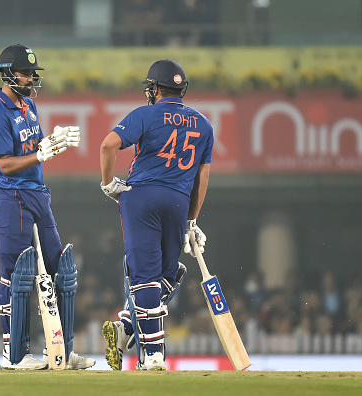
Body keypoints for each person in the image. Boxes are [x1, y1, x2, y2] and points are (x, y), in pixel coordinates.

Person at [0, 44, 95, 370]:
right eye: (25, 73)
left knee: (62, 270)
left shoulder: (28, 105)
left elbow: (37, 146)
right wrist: (40, 155)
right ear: (7, 74)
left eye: (33, 72)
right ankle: (13, 354)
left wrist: (53, 141)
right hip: (11, 197)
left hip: (37, 194)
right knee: (16, 274)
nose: (31, 77)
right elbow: (4, 164)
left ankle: (60, 350)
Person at [99, 59, 213, 370]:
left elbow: (108, 145)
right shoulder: (204, 124)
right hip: (178, 201)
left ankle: (151, 354)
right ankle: (125, 330)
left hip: (142, 198)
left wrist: (109, 183)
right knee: (168, 274)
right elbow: (202, 178)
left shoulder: (146, 114)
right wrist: (192, 219)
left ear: (156, 89)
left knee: (146, 279)